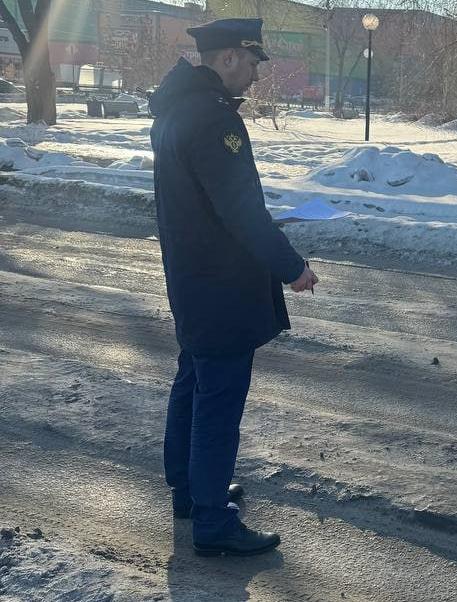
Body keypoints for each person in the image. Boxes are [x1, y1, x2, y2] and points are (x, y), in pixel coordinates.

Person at [149, 18, 318, 556]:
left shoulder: (175, 111)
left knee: (192, 380)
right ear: (226, 58)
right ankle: (212, 521)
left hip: (192, 276)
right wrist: (291, 266)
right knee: (218, 402)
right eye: (250, 64)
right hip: (220, 283)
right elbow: (241, 211)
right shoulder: (213, 120)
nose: (253, 75)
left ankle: (189, 490)